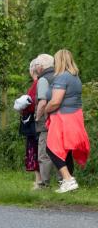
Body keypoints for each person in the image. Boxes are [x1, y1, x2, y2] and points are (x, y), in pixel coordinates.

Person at [43, 49, 90, 193]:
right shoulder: (75, 77)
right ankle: (69, 182)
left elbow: (56, 101)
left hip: (62, 117)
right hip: (74, 116)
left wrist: (46, 110)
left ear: (60, 61)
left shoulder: (62, 77)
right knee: (66, 150)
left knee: (51, 149)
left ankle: (68, 179)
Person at [14, 57, 41, 189]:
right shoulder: (39, 83)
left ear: (32, 70)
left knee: (35, 149)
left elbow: (32, 103)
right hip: (35, 120)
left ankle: (39, 180)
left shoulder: (37, 84)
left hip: (34, 121)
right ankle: (39, 180)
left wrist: (21, 106)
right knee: (36, 148)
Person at [33, 54, 57, 188]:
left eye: (36, 64)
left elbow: (42, 102)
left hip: (46, 122)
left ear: (41, 66)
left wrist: (37, 117)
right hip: (59, 120)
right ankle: (63, 181)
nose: (35, 67)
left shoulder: (43, 80)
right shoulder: (58, 76)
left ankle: (44, 184)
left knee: (44, 153)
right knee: (60, 152)